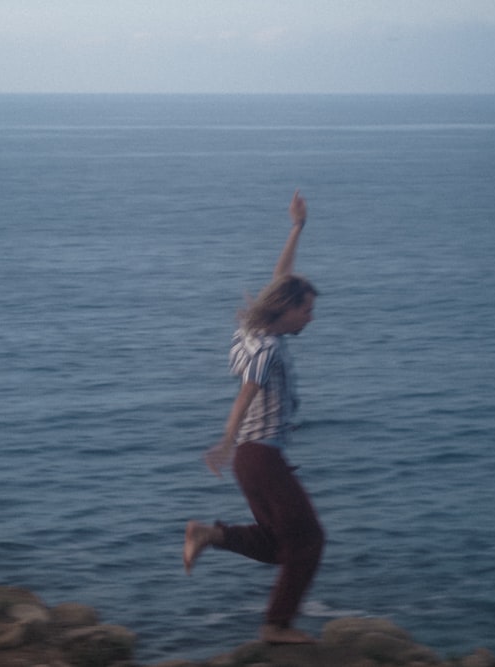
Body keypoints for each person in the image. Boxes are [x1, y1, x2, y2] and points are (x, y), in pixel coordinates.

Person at [184, 190, 325, 645]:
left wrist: (297, 227)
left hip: (257, 458)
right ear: (286, 311)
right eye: (307, 309)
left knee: (281, 543)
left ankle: (209, 535)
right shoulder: (265, 348)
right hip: (260, 455)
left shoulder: (254, 329)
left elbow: (280, 278)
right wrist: (226, 440)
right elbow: (249, 390)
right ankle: (275, 627)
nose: (311, 316)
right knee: (308, 542)